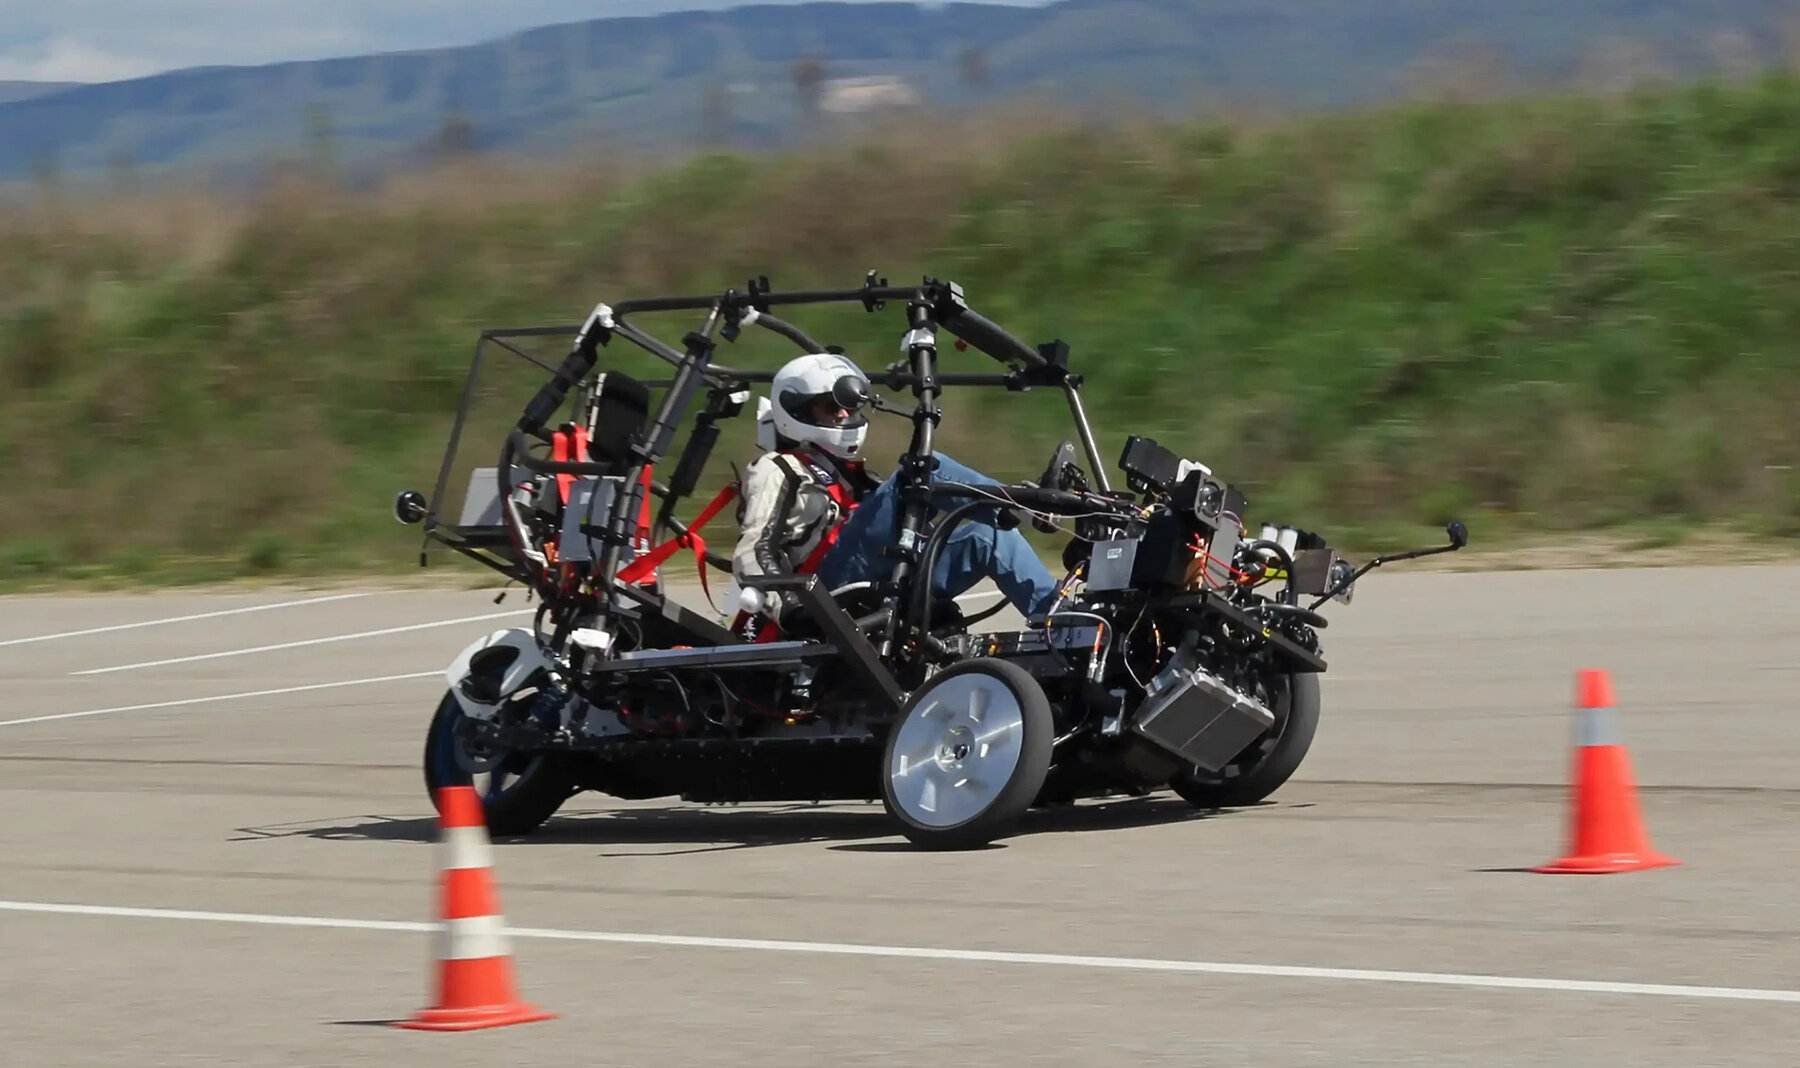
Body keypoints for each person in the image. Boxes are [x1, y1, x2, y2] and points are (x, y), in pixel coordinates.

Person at [731, 352, 1058, 629]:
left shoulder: (850, 475)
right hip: (822, 592)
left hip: (877, 579)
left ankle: (1063, 624)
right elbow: (753, 551)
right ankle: (1023, 506)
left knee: (991, 539)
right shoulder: (778, 467)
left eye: (847, 407)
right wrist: (793, 611)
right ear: (799, 411)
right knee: (924, 468)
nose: (844, 414)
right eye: (831, 407)